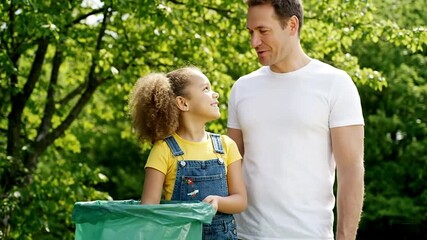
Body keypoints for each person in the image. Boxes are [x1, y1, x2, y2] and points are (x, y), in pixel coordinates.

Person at [227, 0, 365, 239]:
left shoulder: (335, 84)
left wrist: (345, 237)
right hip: (244, 234)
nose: (254, 42)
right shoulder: (242, 88)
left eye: (263, 31)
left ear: (292, 25)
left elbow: (351, 169)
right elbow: (230, 167)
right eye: (250, 32)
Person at [129, 66, 247, 239]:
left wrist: (218, 202)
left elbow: (240, 200)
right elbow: (149, 210)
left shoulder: (226, 145)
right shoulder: (164, 149)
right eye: (206, 89)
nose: (215, 94)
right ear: (183, 103)